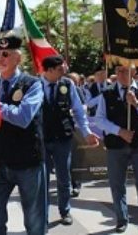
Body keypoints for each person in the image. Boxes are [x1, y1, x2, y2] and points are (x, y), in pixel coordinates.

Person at [0, 35, 46, 235]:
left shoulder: (32, 84)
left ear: (19, 58)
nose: (0, 58)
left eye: (6, 54)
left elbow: (23, 117)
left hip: (28, 164)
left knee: (34, 222)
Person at [95, 64, 138, 235]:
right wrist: (119, 131)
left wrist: (136, 104)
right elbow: (99, 119)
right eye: (119, 71)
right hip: (116, 145)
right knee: (117, 184)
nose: (121, 74)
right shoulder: (107, 93)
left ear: (134, 72)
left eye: (125, 70)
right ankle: (122, 219)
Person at [41, 55, 99, 225]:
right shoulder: (35, 85)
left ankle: (65, 210)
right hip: (42, 139)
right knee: (42, 179)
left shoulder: (67, 84)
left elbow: (79, 111)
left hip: (63, 138)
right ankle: (42, 215)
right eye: (60, 69)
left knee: (63, 176)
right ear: (50, 70)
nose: (64, 71)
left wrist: (87, 132)